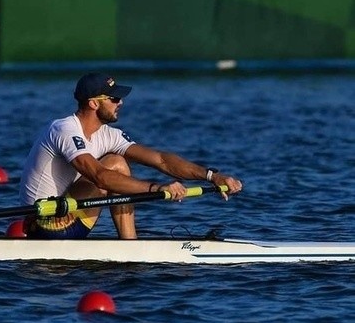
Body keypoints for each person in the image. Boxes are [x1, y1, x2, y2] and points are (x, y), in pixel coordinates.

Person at [19, 72, 242, 239]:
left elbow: (162, 160)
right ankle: (130, 245)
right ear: (94, 103)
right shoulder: (65, 129)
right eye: (114, 99)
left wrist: (212, 176)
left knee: (117, 161)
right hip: (45, 225)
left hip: (69, 216)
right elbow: (100, 177)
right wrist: (157, 189)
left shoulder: (108, 135)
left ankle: (130, 246)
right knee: (115, 164)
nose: (121, 103)